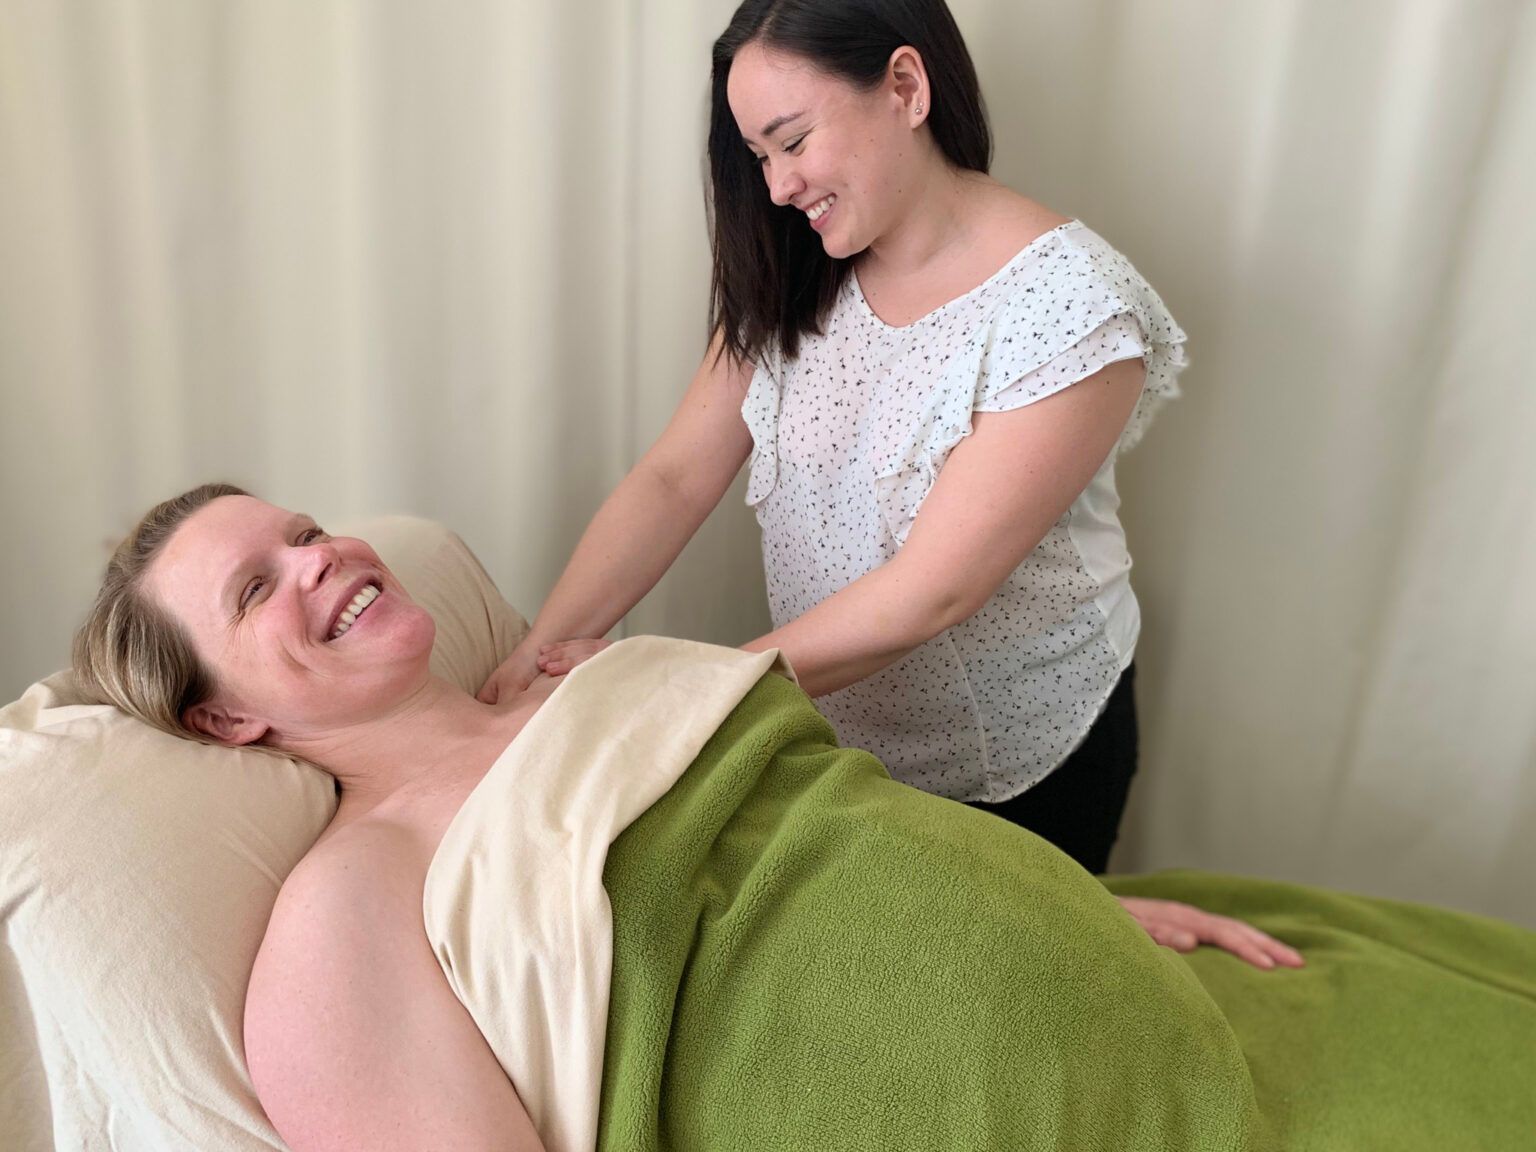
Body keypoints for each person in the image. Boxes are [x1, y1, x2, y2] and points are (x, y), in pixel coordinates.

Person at [72, 485, 1303, 1151]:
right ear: (226, 719)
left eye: (301, 532)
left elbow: (836, 822)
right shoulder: (345, 906)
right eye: (257, 588)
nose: (318, 558)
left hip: (1133, 1000)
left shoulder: (582, 684)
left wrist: (1065, 906)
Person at [480, 0, 1186, 875]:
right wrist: (536, 657)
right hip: (841, 736)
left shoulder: (1069, 307)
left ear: (906, 87)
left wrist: (669, 693)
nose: (778, 187)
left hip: (1023, 759)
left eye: (793, 141)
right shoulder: (797, 267)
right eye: (759, 156)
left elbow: (931, 592)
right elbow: (675, 478)